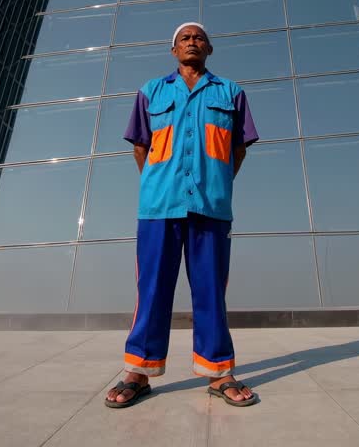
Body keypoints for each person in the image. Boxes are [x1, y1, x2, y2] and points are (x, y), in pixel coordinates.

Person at [104, 22, 261, 409]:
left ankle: (218, 371)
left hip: (211, 208)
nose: (192, 42)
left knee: (211, 291)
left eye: (199, 38)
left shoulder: (231, 93)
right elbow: (140, 147)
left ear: (210, 48)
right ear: (173, 50)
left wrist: (216, 183)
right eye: (184, 39)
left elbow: (238, 149)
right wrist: (159, 184)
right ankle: (138, 372)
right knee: (152, 290)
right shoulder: (151, 91)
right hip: (158, 208)